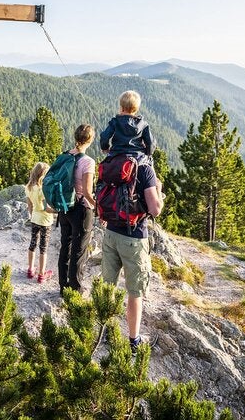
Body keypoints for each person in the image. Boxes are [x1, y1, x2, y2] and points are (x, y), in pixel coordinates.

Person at [100, 156, 165, 353]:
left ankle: (106, 333)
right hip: (134, 237)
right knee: (134, 292)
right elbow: (155, 209)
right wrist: (159, 191)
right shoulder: (145, 169)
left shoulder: (111, 163)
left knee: (107, 286)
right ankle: (133, 341)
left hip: (110, 233)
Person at [57, 124, 97, 293]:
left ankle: (62, 286)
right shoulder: (87, 161)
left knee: (65, 245)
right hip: (81, 209)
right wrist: (98, 206)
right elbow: (88, 192)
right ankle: (75, 289)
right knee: (79, 250)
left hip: (65, 207)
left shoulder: (65, 156)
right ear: (90, 140)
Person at [100, 90, 155, 158]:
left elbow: (104, 137)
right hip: (137, 157)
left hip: (117, 156)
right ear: (136, 109)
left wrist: (105, 148)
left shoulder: (115, 122)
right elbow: (151, 143)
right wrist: (148, 153)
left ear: (122, 108)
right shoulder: (143, 124)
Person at [25, 161, 55, 284]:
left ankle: (30, 269)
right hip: (45, 221)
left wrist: (33, 215)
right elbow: (45, 208)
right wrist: (57, 210)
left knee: (32, 244)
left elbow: (30, 206)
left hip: (35, 219)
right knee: (43, 248)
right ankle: (42, 274)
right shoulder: (43, 190)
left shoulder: (28, 187)